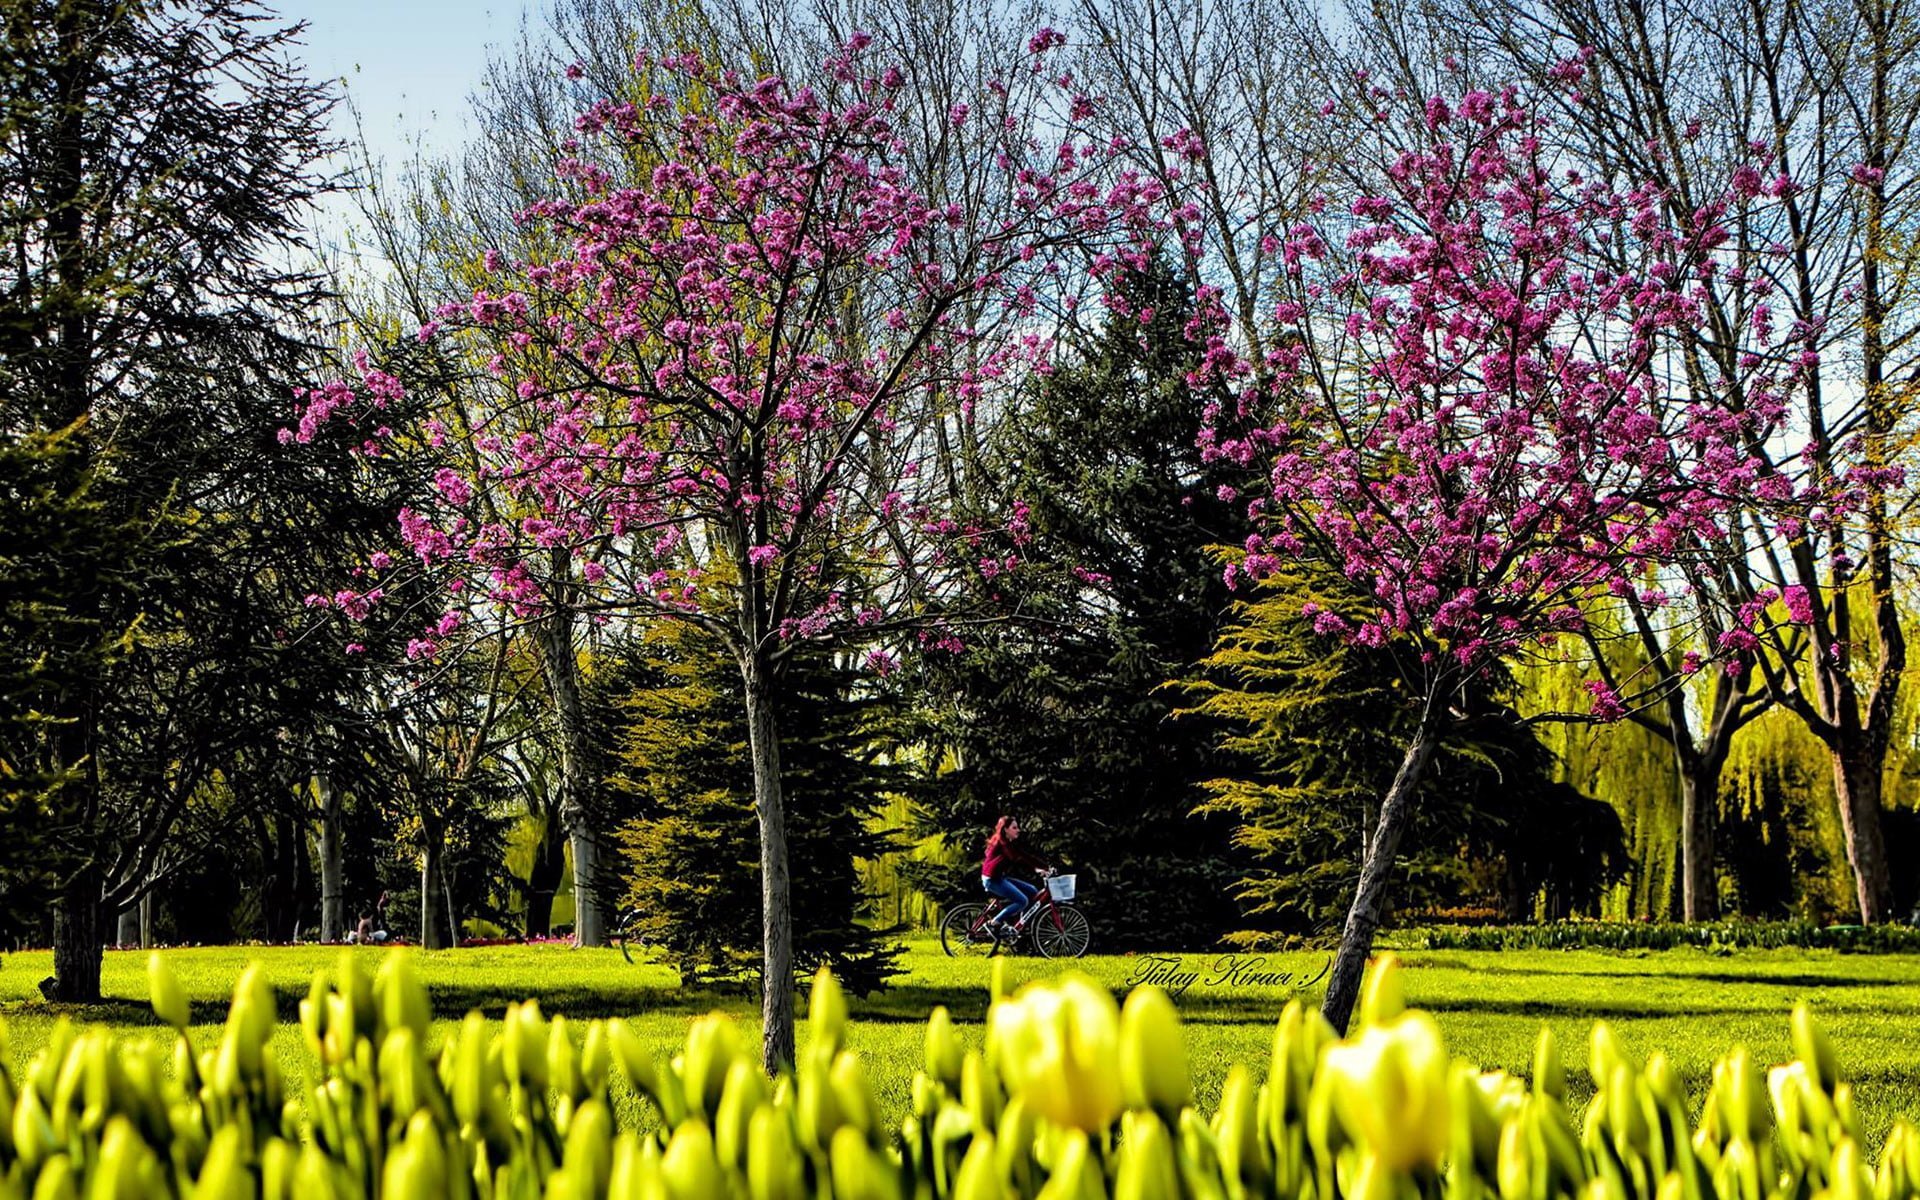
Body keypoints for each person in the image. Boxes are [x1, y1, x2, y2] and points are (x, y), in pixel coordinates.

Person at [981, 815, 1051, 937]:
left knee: (1032, 891)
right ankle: (994, 922)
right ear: (1005, 829)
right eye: (1014, 827)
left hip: (999, 877)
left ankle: (1019, 925)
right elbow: (1017, 859)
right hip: (992, 879)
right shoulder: (1002, 843)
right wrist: (1036, 869)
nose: (1018, 830)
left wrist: (1045, 866)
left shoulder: (1008, 842)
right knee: (1022, 901)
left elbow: (1025, 856)